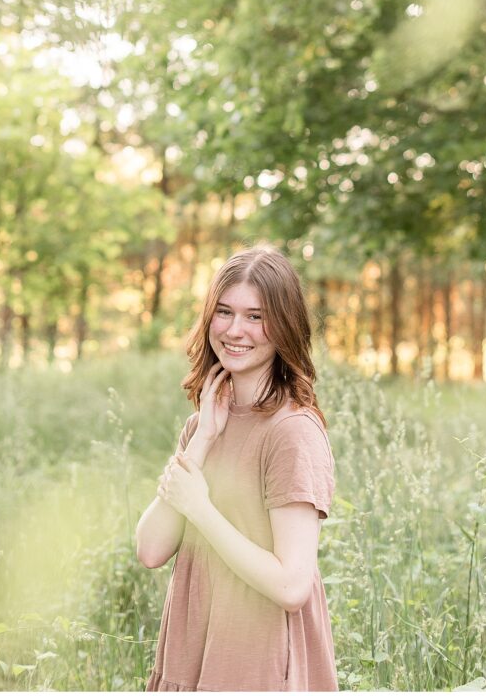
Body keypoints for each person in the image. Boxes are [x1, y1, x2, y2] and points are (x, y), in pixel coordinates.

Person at [135, 245, 339, 692]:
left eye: (255, 316)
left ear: (284, 325)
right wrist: (204, 439)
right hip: (193, 655)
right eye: (224, 312)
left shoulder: (292, 432)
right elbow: (150, 550)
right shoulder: (203, 426)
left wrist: (201, 510)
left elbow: (291, 585)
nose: (234, 330)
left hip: (255, 664)